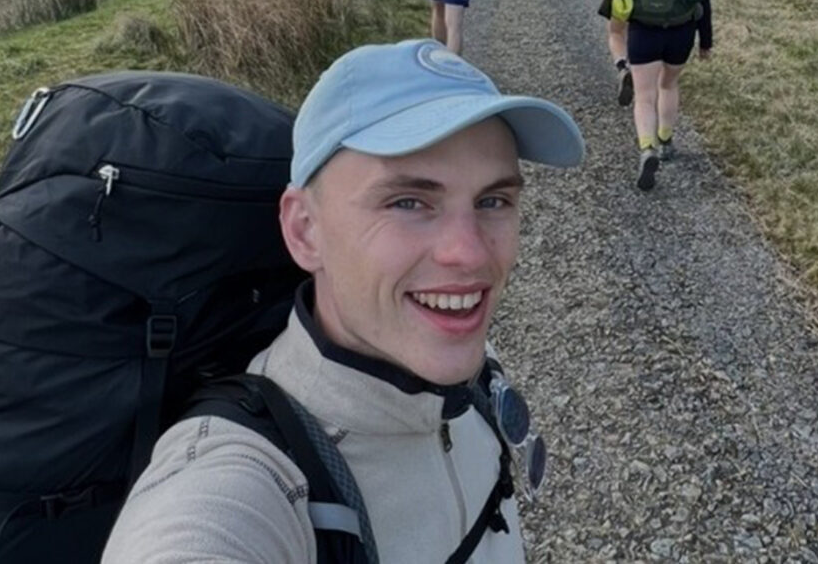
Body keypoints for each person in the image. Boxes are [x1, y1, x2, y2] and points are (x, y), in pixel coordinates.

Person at [103, 38, 585, 563]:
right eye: (408, 202)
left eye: (493, 200)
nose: (469, 253)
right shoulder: (244, 482)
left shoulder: (463, 363)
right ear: (304, 230)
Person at [612, 0, 715, 191]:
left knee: (644, 96)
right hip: (682, 27)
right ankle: (666, 139)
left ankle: (647, 149)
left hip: (644, 26)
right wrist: (705, 40)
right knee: (668, 84)